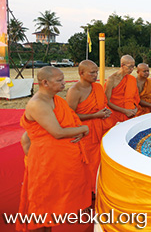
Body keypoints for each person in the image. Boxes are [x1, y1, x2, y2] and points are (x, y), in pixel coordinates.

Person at [17, 66, 91, 231]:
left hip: (56, 160)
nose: (64, 83)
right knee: (41, 204)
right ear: (45, 82)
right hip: (44, 161)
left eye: (63, 79)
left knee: (51, 203)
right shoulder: (38, 103)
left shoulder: (56, 100)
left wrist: (76, 129)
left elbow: (30, 135)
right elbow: (57, 132)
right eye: (59, 80)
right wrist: (83, 129)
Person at [66, 60, 111, 192]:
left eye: (96, 72)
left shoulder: (97, 87)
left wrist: (105, 112)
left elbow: (101, 106)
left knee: (100, 161)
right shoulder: (74, 91)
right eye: (92, 72)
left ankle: (98, 187)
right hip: (84, 132)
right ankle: (88, 190)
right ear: (81, 73)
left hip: (100, 128)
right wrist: (95, 115)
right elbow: (70, 115)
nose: (95, 75)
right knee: (88, 164)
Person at [103, 55, 140, 131]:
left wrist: (135, 109)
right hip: (115, 115)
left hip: (130, 114)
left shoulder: (131, 79)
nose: (132, 69)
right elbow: (107, 101)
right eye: (130, 67)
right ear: (122, 65)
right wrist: (125, 111)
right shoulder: (111, 79)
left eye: (133, 67)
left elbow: (135, 97)